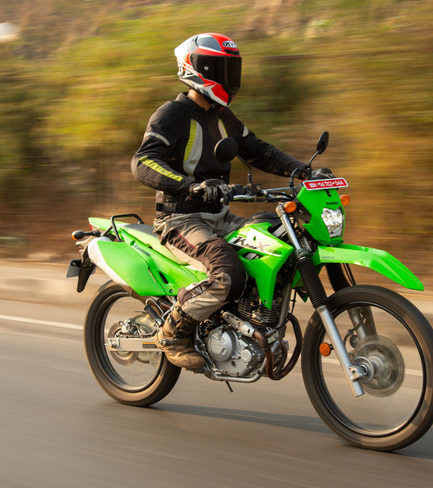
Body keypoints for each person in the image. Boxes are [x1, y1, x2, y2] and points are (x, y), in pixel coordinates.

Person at [131, 33, 310, 370]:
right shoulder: (172, 114)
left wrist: (303, 171)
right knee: (227, 274)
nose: (230, 79)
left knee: (279, 243)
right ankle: (173, 333)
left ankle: (252, 326)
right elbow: (143, 162)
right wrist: (189, 186)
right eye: (222, 70)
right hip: (180, 220)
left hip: (221, 217)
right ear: (199, 69)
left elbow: (258, 151)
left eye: (232, 70)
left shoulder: (223, 116)